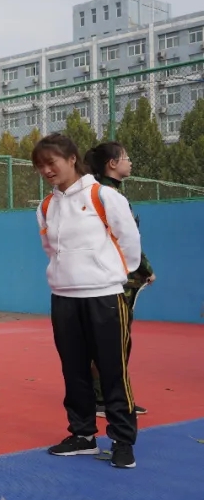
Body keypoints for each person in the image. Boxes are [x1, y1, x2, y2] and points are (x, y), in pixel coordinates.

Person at [33, 133, 141, 469]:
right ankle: (83, 435)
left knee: (112, 371)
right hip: (64, 298)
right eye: (40, 166)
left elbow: (130, 242)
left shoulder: (104, 196)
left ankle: (122, 440)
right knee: (74, 370)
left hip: (104, 296)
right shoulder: (46, 206)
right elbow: (51, 249)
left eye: (51, 162)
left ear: (71, 159)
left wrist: (108, 274)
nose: (46, 170)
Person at [84, 141, 151, 417]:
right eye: (126, 157)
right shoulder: (108, 195)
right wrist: (145, 269)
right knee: (114, 341)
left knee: (109, 340)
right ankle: (106, 399)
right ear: (112, 164)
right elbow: (124, 239)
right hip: (117, 279)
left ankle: (105, 397)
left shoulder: (101, 193)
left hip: (112, 277)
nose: (130, 162)